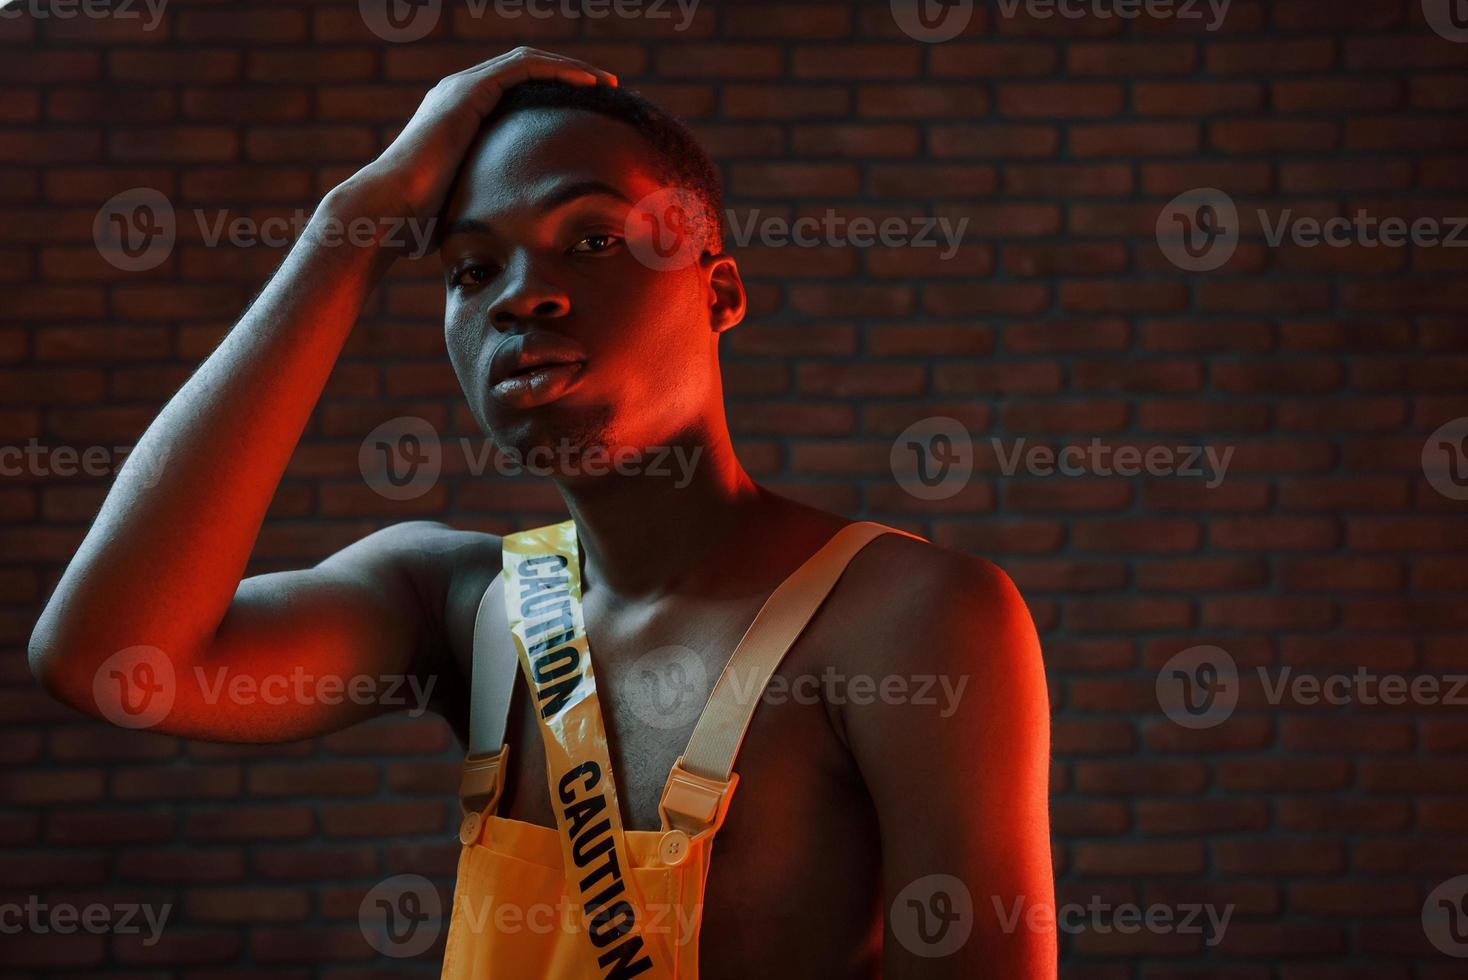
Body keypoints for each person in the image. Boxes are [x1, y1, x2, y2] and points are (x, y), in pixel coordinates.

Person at [29, 47, 1055, 978]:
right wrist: (354, 222)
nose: (522, 295)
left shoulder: (912, 618)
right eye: (473, 268)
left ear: (720, 291)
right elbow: (110, 658)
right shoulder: (458, 602)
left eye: (594, 237)